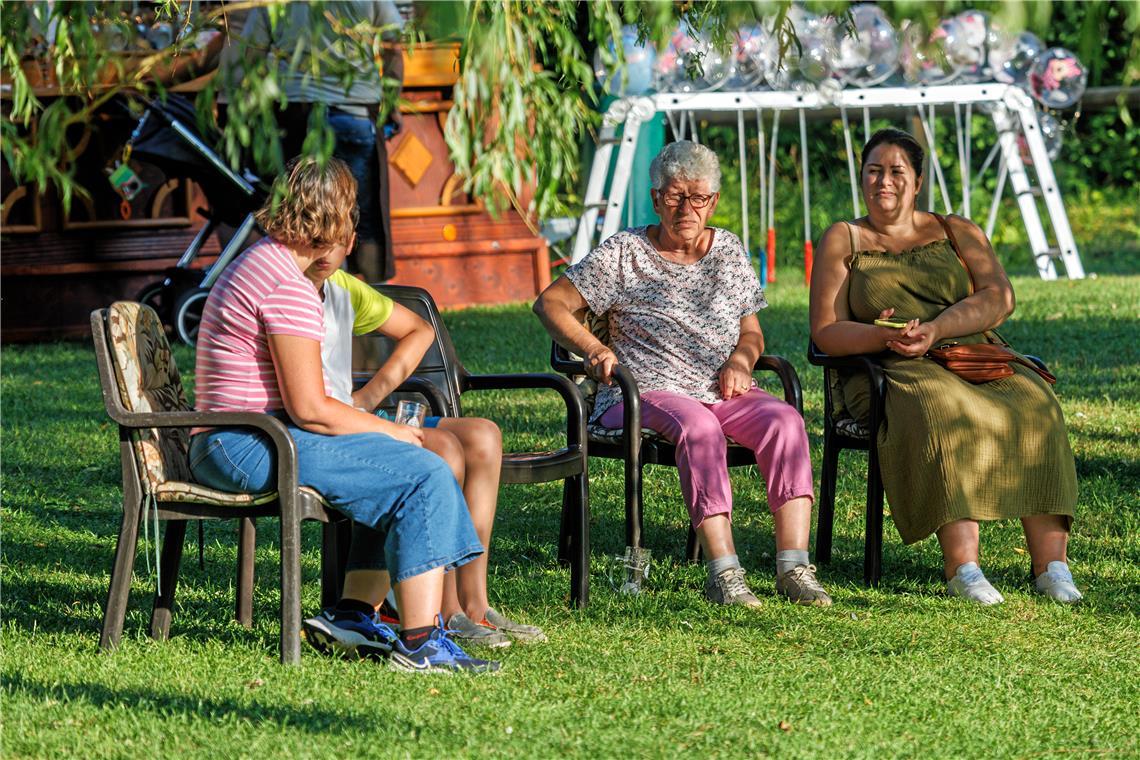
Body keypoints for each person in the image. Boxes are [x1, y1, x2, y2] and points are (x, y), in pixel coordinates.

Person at [188, 156, 498, 673]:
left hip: (243, 437)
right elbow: (310, 410)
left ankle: (355, 615)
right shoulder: (286, 285)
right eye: (351, 213)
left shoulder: (267, 262)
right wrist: (390, 430)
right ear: (335, 218)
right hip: (242, 443)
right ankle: (421, 644)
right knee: (422, 472)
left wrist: (385, 435)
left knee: (394, 457)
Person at [534, 140, 832, 609]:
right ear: (656, 199)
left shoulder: (728, 250)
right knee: (699, 425)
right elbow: (549, 303)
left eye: (698, 198)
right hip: (640, 393)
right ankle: (724, 573)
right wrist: (593, 348)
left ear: (712, 201)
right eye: (675, 196)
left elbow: (751, 331)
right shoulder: (625, 252)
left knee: (787, 422)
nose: (686, 208)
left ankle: (793, 568)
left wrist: (742, 359)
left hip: (722, 389)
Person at [809, 128, 1081, 605]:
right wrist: (883, 335)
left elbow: (999, 297)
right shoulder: (844, 238)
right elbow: (826, 331)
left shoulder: (958, 230)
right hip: (886, 369)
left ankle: (1051, 566)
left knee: (1037, 401)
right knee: (940, 407)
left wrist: (937, 329)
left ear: (917, 181)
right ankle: (964, 568)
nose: (884, 182)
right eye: (874, 171)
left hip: (968, 351)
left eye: (897, 172)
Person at [302, 255, 547, 648]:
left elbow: (419, 330)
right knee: (445, 446)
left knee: (483, 435)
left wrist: (367, 398)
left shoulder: (343, 288)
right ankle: (445, 611)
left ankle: (475, 603)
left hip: (355, 413)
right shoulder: (288, 287)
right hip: (325, 424)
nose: (326, 249)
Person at [240, 1, 403, 283]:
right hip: (355, 110)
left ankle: (301, 296)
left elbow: (252, 54)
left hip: (293, 114)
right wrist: (392, 102)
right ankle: (378, 300)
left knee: (300, 211)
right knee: (364, 215)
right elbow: (392, 46)